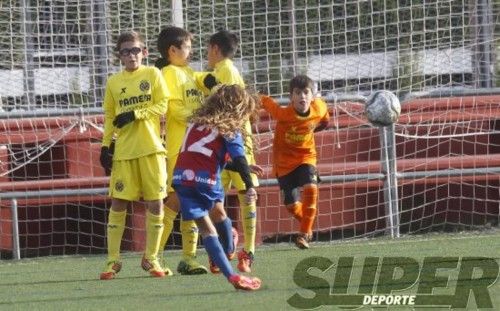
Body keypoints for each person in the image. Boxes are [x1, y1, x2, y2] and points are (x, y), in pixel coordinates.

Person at [172, 84, 261, 290]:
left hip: (181, 178)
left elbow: (204, 154)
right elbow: (238, 157)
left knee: (207, 228)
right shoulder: (229, 126)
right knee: (218, 222)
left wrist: (243, 167)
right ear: (239, 108)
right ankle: (229, 244)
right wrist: (249, 186)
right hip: (205, 180)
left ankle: (232, 276)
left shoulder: (195, 122)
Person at [99, 31, 170, 279]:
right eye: (126, 51)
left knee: (156, 203)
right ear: (119, 56)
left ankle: (151, 259)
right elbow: (109, 117)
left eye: (136, 50)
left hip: (151, 149)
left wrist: (136, 114)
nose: (132, 55)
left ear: (145, 52)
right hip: (125, 153)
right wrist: (105, 146)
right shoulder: (113, 82)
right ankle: (112, 261)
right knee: (118, 202)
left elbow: (163, 104)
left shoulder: (153, 74)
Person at [204, 30, 261, 273]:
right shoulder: (219, 72)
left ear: (215, 48)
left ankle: (248, 252)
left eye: (208, 49)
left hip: (235, 138)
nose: (207, 55)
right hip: (220, 139)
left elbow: (229, 105)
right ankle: (228, 241)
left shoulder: (225, 68)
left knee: (245, 193)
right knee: (214, 197)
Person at [154, 26, 209, 275]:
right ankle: (153, 256)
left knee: (188, 201)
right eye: (186, 46)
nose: (191, 50)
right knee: (177, 201)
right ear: (172, 50)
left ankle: (187, 257)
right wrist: (203, 117)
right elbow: (174, 110)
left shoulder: (188, 72)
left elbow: (205, 82)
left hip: (195, 148)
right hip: (180, 149)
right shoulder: (168, 73)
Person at [260, 75, 329, 249]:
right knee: (291, 205)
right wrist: (254, 96)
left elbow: (325, 120)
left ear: (312, 96)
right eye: (298, 93)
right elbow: (267, 103)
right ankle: (308, 225)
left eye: (306, 92)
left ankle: (304, 234)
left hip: (306, 157)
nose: (302, 97)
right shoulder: (283, 114)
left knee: (311, 188)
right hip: (283, 162)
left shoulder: (319, 108)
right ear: (291, 97)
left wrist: (317, 128)